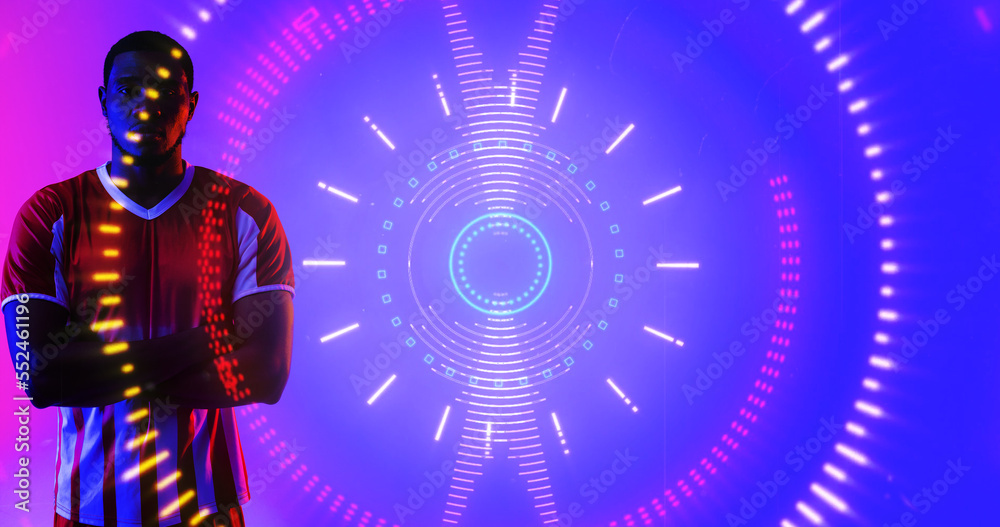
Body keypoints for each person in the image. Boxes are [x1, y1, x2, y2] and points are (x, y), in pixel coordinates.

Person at [2, 31, 295, 526]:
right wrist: (211, 338)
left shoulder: (245, 212)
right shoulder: (49, 215)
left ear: (191, 105)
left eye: (166, 92)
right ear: (103, 100)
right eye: (127, 88)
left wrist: (93, 372)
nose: (145, 104)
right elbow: (42, 377)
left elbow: (266, 373)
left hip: (209, 509)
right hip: (85, 511)